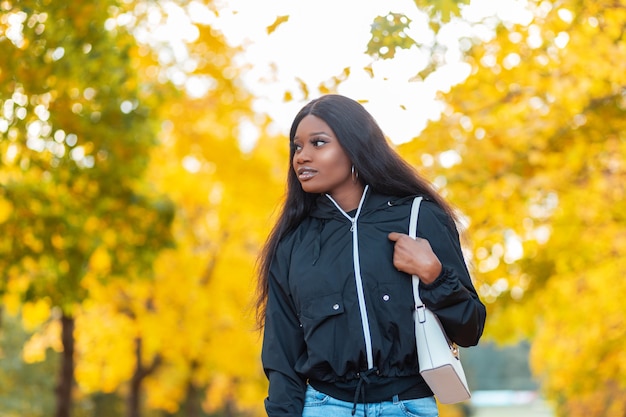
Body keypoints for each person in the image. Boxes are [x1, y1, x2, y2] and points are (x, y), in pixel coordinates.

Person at [255, 94, 486, 417]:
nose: (301, 157)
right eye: (297, 147)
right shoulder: (292, 242)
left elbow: (470, 329)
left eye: (318, 143)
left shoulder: (419, 218)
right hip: (323, 407)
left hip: (406, 407)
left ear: (354, 147)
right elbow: (281, 353)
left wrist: (434, 276)